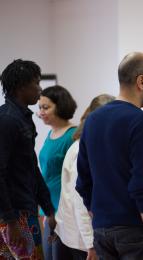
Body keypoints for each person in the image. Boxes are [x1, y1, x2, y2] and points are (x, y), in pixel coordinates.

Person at [76, 52, 143, 260]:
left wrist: (100, 217)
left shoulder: (92, 120)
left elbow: (83, 182)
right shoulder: (142, 122)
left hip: (101, 233)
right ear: (141, 81)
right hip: (133, 232)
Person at [0, 59, 56, 259]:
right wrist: (12, 221)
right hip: (14, 216)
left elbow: (31, 167)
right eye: (36, 83)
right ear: (21, 86)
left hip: (24, 211)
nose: (39, 89)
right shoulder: (7, 120)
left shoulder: (21, 118)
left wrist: (48, 209)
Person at [55, 94, 115, 260]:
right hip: (81, 242)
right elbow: (79, 201)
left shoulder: (94, 144)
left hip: (85, 235)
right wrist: (91, 245)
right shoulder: (81, 149)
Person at [38, 85, 77, 260]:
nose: (41, 112)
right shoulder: (50, 133)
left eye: (46, 107)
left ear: (60, 106)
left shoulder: (73, 135)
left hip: (65, 212)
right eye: (40, 107)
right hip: (48, 209)